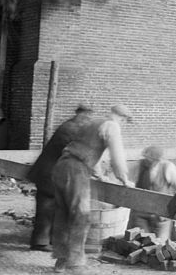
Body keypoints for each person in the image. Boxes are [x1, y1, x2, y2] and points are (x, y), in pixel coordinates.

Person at [51, 104, 135, 273]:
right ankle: (75, 264)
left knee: (63, 214)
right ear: (123, 119)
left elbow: (86, 149)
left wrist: (99, 175)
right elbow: (116, 157)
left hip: (62, 166)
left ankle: (61, 260)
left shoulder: (93, 123)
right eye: (125, 121)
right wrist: (125, 179)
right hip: (76, 171)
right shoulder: (112, 126)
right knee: (81, 216)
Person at [27, 104, 94, 251]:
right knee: (47, 207)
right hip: (49, 173)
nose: (89, 119)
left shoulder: (71, 126)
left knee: (52, 207)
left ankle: (47, 239)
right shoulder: (71, 129)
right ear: (80, 114)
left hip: (50, 172)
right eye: (87, 115)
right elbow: (79, 152)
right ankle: (40, 242)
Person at [127, 146, 176, 240]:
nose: (147, 161)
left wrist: (173, 206)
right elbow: (129, 182)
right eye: (146, 158)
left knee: (161, 244)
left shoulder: (167, 167)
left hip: (161, 215)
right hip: (141, 213)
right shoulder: (139, 166)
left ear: (158, 160)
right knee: (142, 241)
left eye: (150, 160)